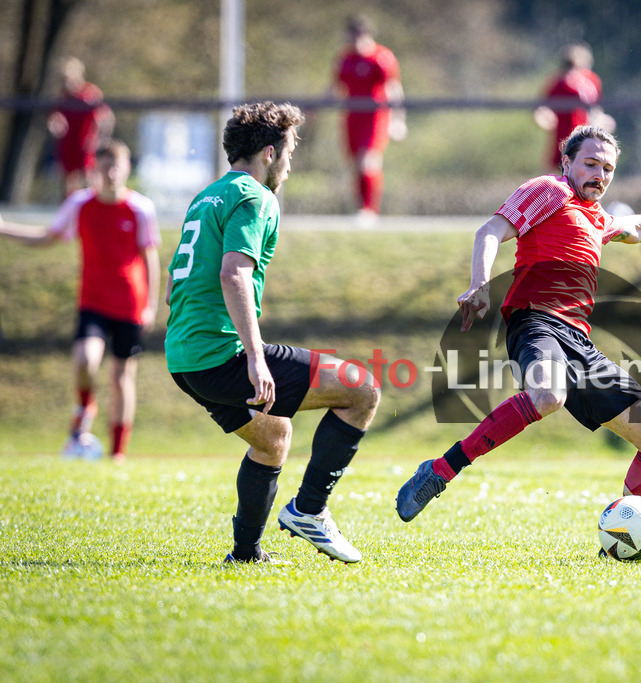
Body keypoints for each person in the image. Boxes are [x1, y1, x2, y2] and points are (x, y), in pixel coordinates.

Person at [395, 125, 641, 523]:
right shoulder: (550, 190)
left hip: (579, 341)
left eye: (608, 168)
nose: (599, 174)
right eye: (591, 163)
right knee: (547, 395)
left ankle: (624, 539)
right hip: (536, 321)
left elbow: (634, 229)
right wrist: (479, 283)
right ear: (568, 162)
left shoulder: (597, 217)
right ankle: (441, 470)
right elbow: (491, 230)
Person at [165, 101, 380, 565]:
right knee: (362, 389)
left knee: (272, 436)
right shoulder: (256, 196)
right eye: (288, 151)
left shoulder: (208, 196)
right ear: (269, 152)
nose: (289, 162)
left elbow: (174, 284)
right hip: (220, 355)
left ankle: (245, 555)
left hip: (184, 358)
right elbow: (233, 274)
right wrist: (255, 357)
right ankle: (310, 510)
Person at [0, 139, 160, 461]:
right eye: (104, 167)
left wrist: (151, 305)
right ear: (95, 170)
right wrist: (4, 228)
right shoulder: (80, 204)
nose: (111, 173)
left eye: (117, 166)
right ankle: (85, 405)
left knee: (121, 377)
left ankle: (118, 453)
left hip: (130, 303)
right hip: (94, 302)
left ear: (127, 169)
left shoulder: (141, 208)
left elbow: (150, 258)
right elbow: (47, 237)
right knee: (86, 359)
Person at [331, 14, 405, 221]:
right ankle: (361, 210)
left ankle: (369, 211)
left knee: (368, 162)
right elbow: (335, 87)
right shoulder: (345, 58)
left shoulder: (382, 57)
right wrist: (313, 109)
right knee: (356, 165)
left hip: (376, 117)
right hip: (352, 117)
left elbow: (394, 89)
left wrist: (398, 121)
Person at [533, 43, 614, 172]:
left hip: (581, 139)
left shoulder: (589, 81)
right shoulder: (562, 83)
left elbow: (596, 111)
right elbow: (543, 110)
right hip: (569, 139)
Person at [47, 57, 115, 197]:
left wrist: (101, 139)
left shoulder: (90, 93)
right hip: (68, 143)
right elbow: (53, 118)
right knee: (68, 184)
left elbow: (107, 118)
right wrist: (54, 126)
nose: (67, 82)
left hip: (86, 144)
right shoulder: (61, 96)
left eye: (69, 77)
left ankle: (93, 209)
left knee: (90, 181)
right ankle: (70, 212)